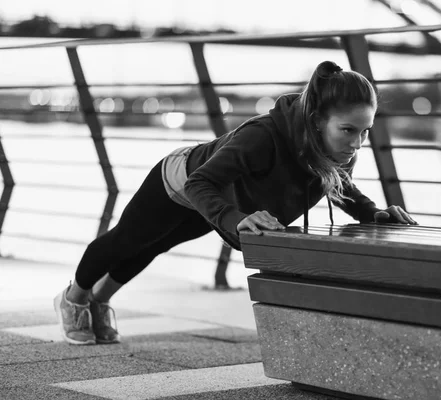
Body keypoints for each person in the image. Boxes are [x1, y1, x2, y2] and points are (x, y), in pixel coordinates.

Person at [53, 60, 417, 345]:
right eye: (349, 130)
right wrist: (232, 216)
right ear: (317, 120)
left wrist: (373, 213)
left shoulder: (337, 148)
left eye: (365, 131)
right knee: (128, 240)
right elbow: (202, 181)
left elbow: (339, 184)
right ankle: (73, 298)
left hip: (223, 197)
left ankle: (99, 301)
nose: (357, 143)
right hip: (184, 180)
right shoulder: (263, 136)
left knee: (156, 244)